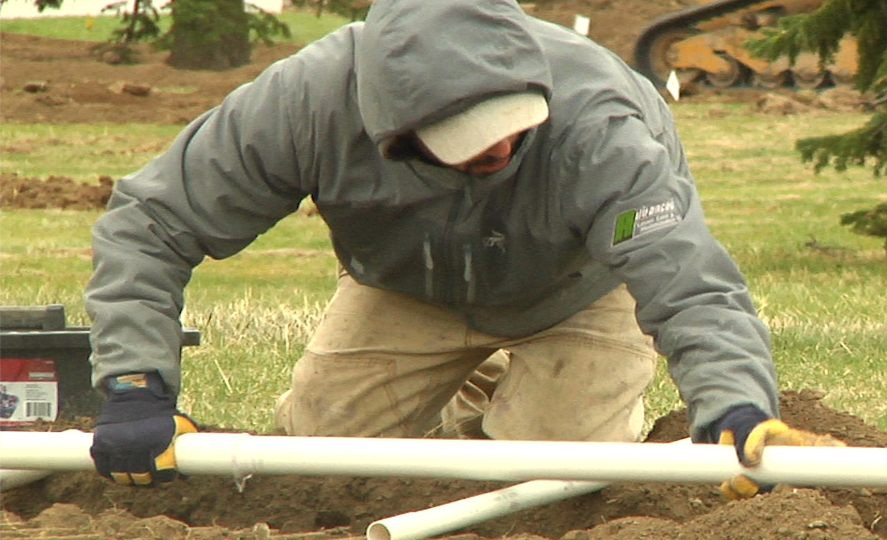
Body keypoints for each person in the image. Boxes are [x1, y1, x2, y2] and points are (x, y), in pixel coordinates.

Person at [84, 0, 840, 499]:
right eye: (469, 139)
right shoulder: (309, 100)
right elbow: (152, 221)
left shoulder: (600, 125)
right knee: (316, 470)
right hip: (405, 285)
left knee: (545, 485)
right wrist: (133, 387)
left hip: (577, 289)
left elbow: (686, 276)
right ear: (390, 124)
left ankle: (519, 392)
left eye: (513, 124)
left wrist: (735, 403)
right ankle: (473, 385)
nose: (500, 146)